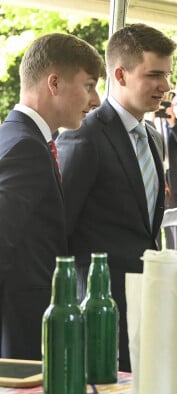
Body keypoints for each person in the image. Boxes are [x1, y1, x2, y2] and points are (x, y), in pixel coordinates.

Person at [57, 23, 176, 372]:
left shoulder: (153, 137)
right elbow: (59, 231)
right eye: (154, 75)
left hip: (145, 312)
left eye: (167, 75)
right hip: (96, 316)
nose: (165, 86)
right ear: (120, 74)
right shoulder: (83, 136)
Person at [0, 33, 104, 360]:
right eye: (88, 85)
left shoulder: (17, 137)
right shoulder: (26, 148)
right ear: (54, 83)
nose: (96, 100)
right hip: (20, 337)